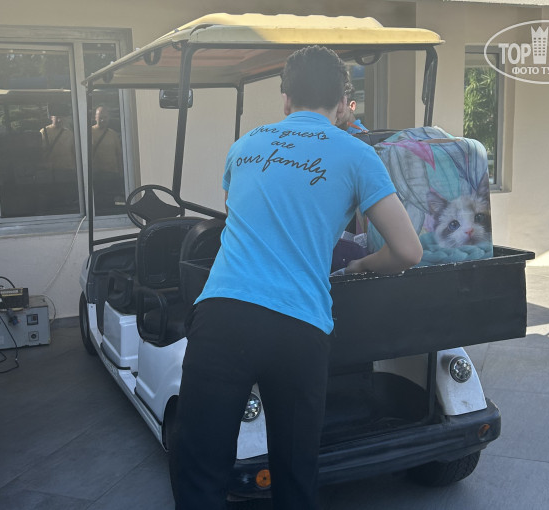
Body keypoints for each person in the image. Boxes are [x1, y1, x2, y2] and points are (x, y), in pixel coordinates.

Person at [170, 45, 422, 510]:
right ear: (343, 102)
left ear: (285, 98)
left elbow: (239, 217)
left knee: (200, 471)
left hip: (222, 316)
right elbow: (408, 250)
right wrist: (358, 265)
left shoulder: (244, 146)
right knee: (295, 474)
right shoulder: (357, 154)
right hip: (299, 326)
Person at [39, 105, 77, 213]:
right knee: (52, 200)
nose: (60, 120)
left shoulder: (69, 133)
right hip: (51, 173)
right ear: (51, 117)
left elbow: (74, 152)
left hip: (67, 172)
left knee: (67, 200)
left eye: (62, 117)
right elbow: (39, 152)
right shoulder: (44, 132)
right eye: (57, 117)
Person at [90, 106, 125, 212]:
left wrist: (121, 173)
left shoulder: (113, 134)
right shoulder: (89, 132)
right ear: (95, 117)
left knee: (111, 201)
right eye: (100, 117)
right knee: (97, 202)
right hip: (96, 175)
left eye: (105, 117)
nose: (102, 120)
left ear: (108, 118)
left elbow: (119, 155)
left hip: (111, 174)